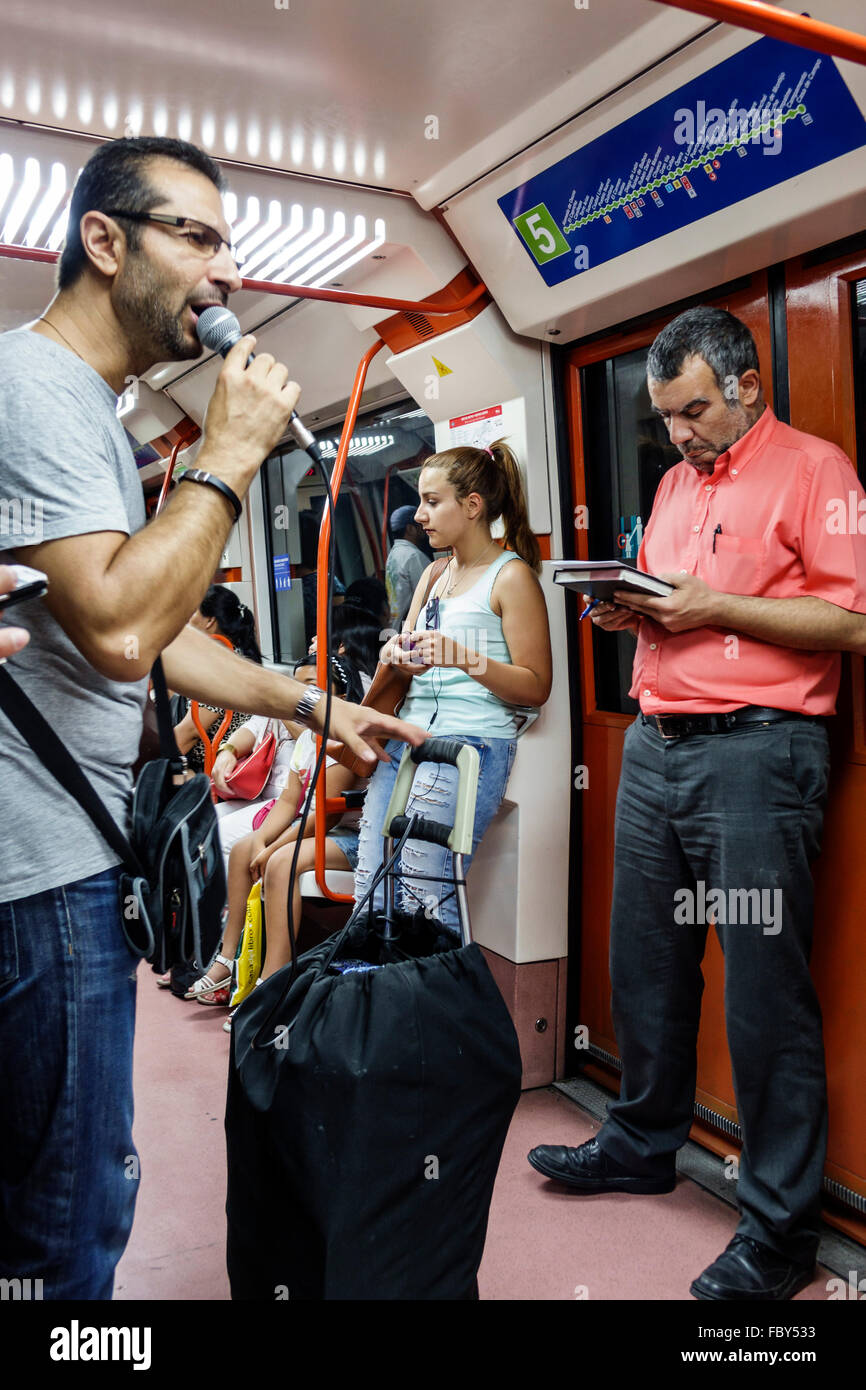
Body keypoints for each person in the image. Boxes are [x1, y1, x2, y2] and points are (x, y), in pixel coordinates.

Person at [0, 135, 424, 1300]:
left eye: (227, 242)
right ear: (103, 240)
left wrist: (310, 700)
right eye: (195, 235)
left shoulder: (86, 403)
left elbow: (157, 627)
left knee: (60, 1193)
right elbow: (124, 634)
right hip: (31, 880)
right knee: (64, 1218)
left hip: (53, 862)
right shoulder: (35, 388)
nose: (223, 269)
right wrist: (228, 453)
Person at [527, 306, 866, 1301]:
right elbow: (673, 594)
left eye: (693, 412)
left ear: (747, 388)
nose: (676, 435)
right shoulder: (674, 484)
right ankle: (639, 1138)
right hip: (656, 744)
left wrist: (710, 608)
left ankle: (777, 1233)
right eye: (664, 416)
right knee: (646, 961)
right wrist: (625, 606)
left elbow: (850, 619)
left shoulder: (815, 472)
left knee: (762, 992)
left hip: (755, 756)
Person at [353, 440, 552, 934]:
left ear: (472, 505)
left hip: (470, 741)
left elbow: (536, 686)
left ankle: (433, 1004)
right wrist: (396, 653)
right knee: (371, 885)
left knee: (424, 892)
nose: (420, 515)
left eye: (431, 501)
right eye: (420, 502)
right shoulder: (435, 575)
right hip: (408, 737)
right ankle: (376, 1003)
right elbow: (409, 650)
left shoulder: (511, 578)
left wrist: (462, 657)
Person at [186, 655, 366, 1009]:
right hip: (314, 832)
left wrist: (271, 849)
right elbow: (288, 803)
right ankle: (227, 960)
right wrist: (262, 840)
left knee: (281, 862)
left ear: (341, 697)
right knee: (242, 848)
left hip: (353, 839)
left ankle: (272, 981)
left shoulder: (345, 744)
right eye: (300, 687)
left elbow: (325, 817)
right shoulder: (306, 741)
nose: (305, 695)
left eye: (315, 687)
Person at [172, 584, 262, 773]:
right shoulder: (224, 657)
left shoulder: (222, 666)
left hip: (213, 770)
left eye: (190, 613)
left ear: (209, 621)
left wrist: (146, 763)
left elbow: (192, 732)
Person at [385, 503, 429, 626]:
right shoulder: (413, 556)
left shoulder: (394, 554)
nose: (424, 529)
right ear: (410, 528)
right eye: (420, 525)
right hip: (412, 626)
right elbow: (428, 596)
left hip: (397, 625)